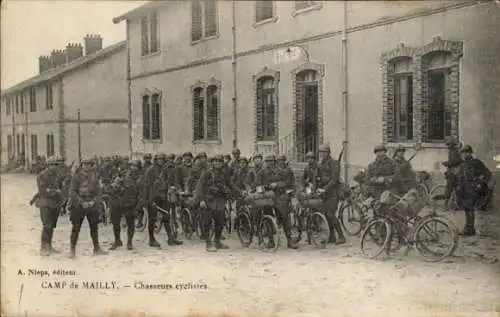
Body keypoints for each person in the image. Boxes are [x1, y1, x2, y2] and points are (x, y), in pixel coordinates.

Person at [195, 155, 238, 251]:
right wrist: (201, 200)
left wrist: (239, 191)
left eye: (220, 161)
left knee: (220, 221)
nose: (217, 163)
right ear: (212, 162)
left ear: (222, 163)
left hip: (220, 200)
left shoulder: (224, 173)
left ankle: (217, 241)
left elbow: (231, 184)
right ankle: (208, 243)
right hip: (208, 200)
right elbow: (200, 187)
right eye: (215, 161)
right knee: (207, 222)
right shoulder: (206, 173)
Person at [256, 155, 299, 249]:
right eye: (268, 161)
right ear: (265, 162)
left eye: (271, 161)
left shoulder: (281, 171)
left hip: (279, 197)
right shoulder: (261, 173)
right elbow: (258, 185)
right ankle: (271, 241)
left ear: (275, 162)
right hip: (267, 197)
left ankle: (289, 240)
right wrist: (266, 187)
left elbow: (288, 182)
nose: (270, 163)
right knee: (268, 218)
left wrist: (277, 184)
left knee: (285, 217)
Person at [69, 158, 107, 258]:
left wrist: (93, 202)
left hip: (91, 205)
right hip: (79, 206)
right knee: (76, 228)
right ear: (81, 165)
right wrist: (81, 202)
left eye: (89, 164)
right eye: (84, 164)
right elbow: (72, 192)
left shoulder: (94, 177)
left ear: (91, 166)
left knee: (94, 227)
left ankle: (97, 248)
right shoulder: (76, 177)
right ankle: (72, 250)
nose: (86, 166)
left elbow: (99, 192)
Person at [455, 145, 492, 236]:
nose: (464, 155)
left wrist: (480, 183)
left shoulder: (476, 163)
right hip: (465, 190)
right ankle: (469, 228)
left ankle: (469, 229)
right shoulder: (463, 164)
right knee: (467, 209)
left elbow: (487, 174)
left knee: (470, 208)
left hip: (473, 190)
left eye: (465, 152)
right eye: (462, 153)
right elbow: (460, 177)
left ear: (470, 153)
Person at [109, 160, 143, 250]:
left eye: (136, 166)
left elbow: (141, 195)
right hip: (119, 202)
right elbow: (114, 186)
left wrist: (138, 207)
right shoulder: (123, 174)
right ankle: (117, 241)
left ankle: (129, 242)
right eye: (132, 166)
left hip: (131, 204)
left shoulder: (141, 179)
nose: (134, 168)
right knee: (115, 222)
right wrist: (116, 188)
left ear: (139, 168)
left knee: (130, 223)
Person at [316, 144, 346, 244]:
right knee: (326, 215)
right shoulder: (321, 164)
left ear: (328, 153)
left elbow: (334, 180)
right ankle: (332, 237)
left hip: (333, 193)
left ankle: (341, 237)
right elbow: (319, 178)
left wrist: (324, 189)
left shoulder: (334, 163)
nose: (322, 154)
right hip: (324, 193)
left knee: (330, 214)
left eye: (324, 152)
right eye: (321, 152)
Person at [36, 156, 64, 256]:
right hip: (45, 203)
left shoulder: (58, 175)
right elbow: (43, 191)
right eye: (52, 164)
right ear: (48, 165)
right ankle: (43, 247)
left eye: (56, 164)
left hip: (55, 204)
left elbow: (61, 188)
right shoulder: (41, 175)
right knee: (47, 225)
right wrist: (55, 191)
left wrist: (60, 198)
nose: (54, 166)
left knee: (52, 225)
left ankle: (49, 246)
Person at [142, 154, 165, 248]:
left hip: (161, 195)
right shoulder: (150, 170)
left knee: (164, 216)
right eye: (160, 159)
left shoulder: (162, 169)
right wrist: (150, 200)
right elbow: (147, 186)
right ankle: (151, 239)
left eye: (163, 159)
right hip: (152, 197)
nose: (162, 161)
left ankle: (171, 238)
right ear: (156, 160)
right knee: (152, 219)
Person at [442, 136, 463, 209]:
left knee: (449, 189)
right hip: (453, 172)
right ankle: (456, 204)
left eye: (449, 144)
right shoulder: (453, 151)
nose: (448, 146)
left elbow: (455, 161)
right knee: (455, 189)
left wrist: (446, 163)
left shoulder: (453, 151)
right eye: (447, 144)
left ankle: (445, 206)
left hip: (453, 173)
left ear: (452, 144)